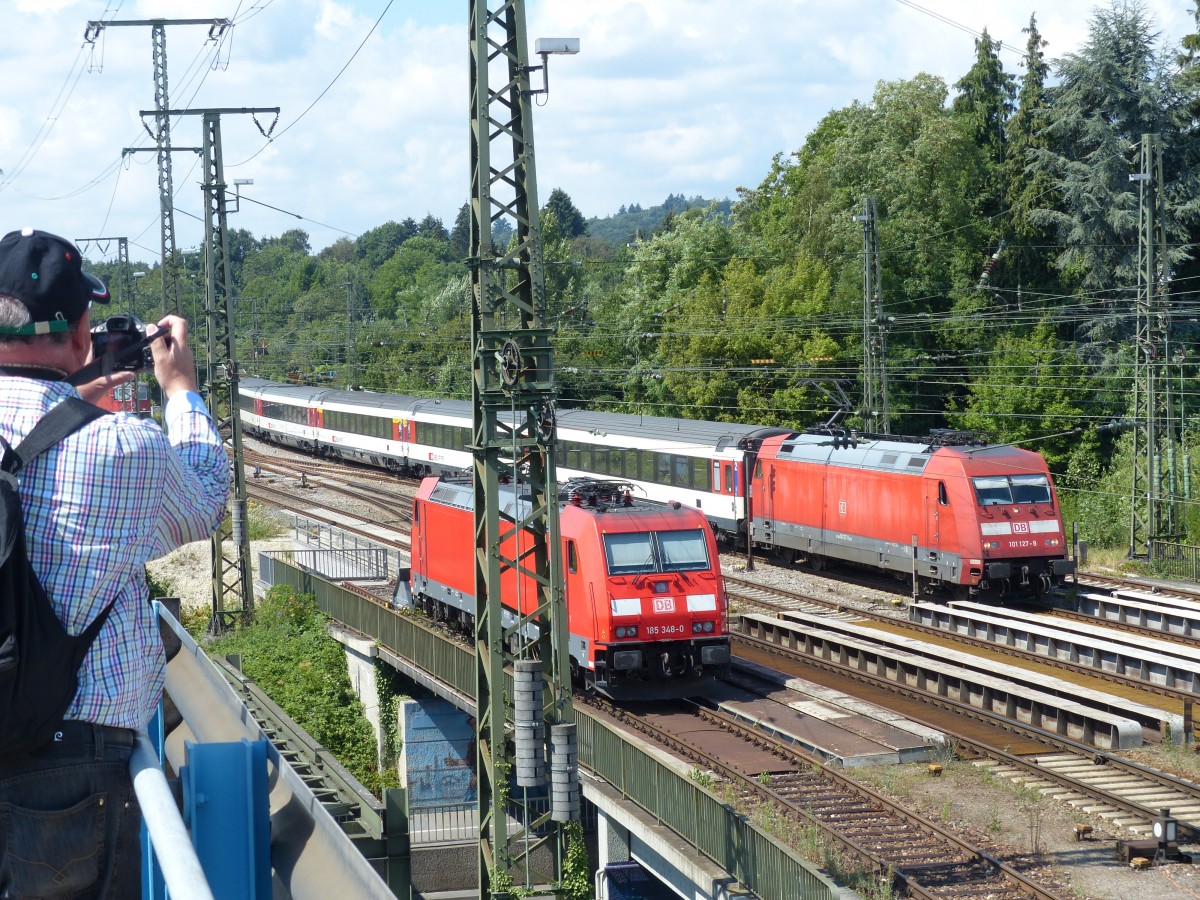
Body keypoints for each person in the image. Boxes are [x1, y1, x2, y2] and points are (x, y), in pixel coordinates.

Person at [0, 228, 229, 899]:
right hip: (67, 764)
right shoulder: (124, 448)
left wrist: (75, 401)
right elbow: (202, 499)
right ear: (79, 335)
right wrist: (180, 388)